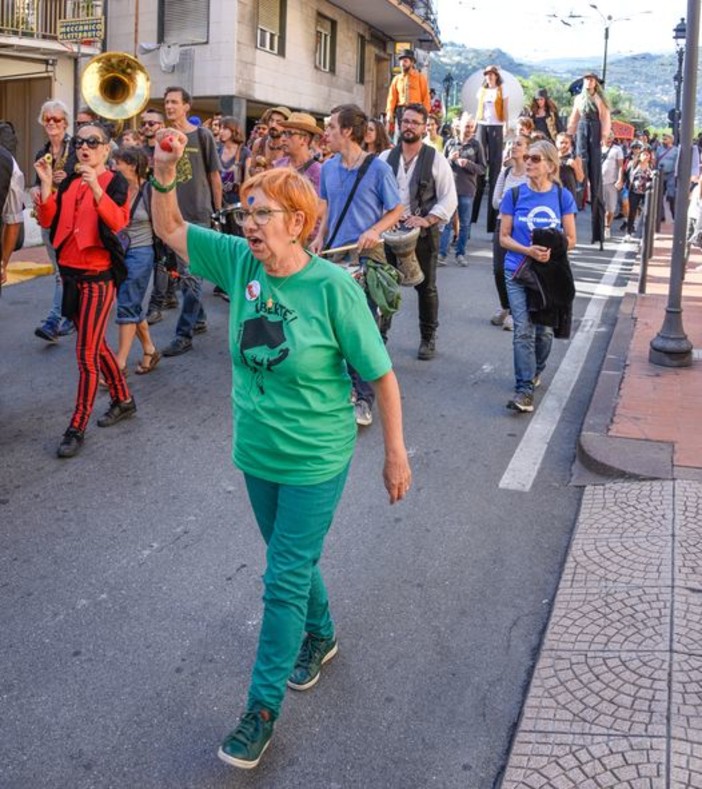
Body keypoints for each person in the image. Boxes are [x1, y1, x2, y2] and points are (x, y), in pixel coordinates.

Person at [149, 140, 412, 771]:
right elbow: (170, 228)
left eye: (262, 213)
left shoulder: (332, 290)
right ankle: (320, 636)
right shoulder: (241, 264)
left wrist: (394, 454)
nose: (249, 225)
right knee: (288, 559)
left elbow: (381, 377)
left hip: (317, 457)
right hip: (257, 452)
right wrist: (163, 173)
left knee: (283, 577)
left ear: (298, 222)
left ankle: (260, 711)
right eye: (245, 212)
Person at [34, 122, 135, 458]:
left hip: (99, 277)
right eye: (80, 142)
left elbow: (119, 222)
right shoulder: (71, 181)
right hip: (71, 276)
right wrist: (48, 186)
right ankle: (123, 399)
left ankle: (77, 425)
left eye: (93, 141)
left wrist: (96, 189)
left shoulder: (114, 181)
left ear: (107, 149)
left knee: (86, 354)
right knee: (94, 345)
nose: (84, 147)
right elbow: (48, 221)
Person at [312, 104, 404, 426]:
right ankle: (341, 391)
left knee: (360, 331)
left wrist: (374, 230)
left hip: (367, 258)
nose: (326, 133)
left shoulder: (378, 170)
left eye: (331, 127)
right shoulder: (327, 168)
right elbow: (327, 208)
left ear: (348, 131)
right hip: (335, 255)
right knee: (331, 328)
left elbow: (396, 210)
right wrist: (319, 237)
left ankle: (363, 398)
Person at [499, 139, 577, 413]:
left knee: (543, 332)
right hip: (517, 270)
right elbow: (504, 238)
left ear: (550, 165)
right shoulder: (515, 195)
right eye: (528, 157)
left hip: (548, 274)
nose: (528, 162)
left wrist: (549, 250)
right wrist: (528, 250)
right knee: (523, 330)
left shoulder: (561, 197)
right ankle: (524, 390)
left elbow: (571, 239)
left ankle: (535, 370)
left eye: (535, 158)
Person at [379, 102, 458, 359]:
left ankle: (428, 337)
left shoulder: (436, 159)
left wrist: (427, 219)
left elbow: (449, 197)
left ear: (425, 128)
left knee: (426, 287)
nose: (409, 126)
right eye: (406, 121)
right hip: (388, 235)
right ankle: (380, 335)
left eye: (415, 122)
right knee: (383, 284)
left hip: (423, 235)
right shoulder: (384, 158)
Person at [160, 86, 223, 357]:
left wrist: (217, 212)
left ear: (187, 106)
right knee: (187, 276)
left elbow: (214, 175)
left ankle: (183, 334)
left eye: (174, 102)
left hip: (198, 215)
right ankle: (198, 319)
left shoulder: (202, 135)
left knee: (192, 275)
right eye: (166, 102)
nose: (169, 106)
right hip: (172, 215)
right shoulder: (163, 137)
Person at [111, 146, 161, 376]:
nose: (113, 166)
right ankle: (149, 349)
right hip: (119, 253)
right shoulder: (116, 188)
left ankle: (119, 363)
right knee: (131, 303)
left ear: (131, 166)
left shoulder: (151, 191)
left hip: (141, 252)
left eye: (118, 162)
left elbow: (163, 223)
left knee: (126, 303)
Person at [31, 100, 78, 343]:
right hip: (49, 219)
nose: (51, 123)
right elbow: (35, 184)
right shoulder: (42, 152)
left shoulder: (78, 147)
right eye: (47, 119)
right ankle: (70, 315)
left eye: (56, 119)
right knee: (62, 272)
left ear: (66, 122)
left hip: (72, 220)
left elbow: (93, 174)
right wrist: (36, 190)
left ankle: (55, 319)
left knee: (64, 272)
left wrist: (70, 175)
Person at [490, 132, 531, 330]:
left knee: (517, 269)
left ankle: (516, 313)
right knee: (499, 269)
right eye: (513, 144)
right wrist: (512, 203)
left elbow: (530, 202)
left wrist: (510, 202)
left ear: (527, 150)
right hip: (502, 224)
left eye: (519, 144)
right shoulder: (505, 172)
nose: (514, 147)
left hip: (521, 228)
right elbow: (495, 202)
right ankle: (505, 306)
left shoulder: (530, 175)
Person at [567, 71, 611, 244]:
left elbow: (605, 118)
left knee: (595, 178)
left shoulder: (600, 99)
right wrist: (569, 133)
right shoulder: (579, 99)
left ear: (595, 83)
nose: (588, 82)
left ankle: (598, 233)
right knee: (580, 174)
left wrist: (604, 136)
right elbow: (574, 117)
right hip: (582, 132)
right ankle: (571, 229)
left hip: (595, 131)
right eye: (586, 79)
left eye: (591, 79)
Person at [439, 112, 485, 266]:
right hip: (450, 189)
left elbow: (482, 169)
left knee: (465, 224)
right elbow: (440, 166)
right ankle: (442, 254)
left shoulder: (476, 145)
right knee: (446, 222)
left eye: (472, 127)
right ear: (459, 127)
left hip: (467, 190)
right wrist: (450, 160)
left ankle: (460, 254)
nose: (469, 129)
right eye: (467, 126)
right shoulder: (450, 143)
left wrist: (469, 164)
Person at [473, 65, 509, 233]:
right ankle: (472, 215)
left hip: (496, 126)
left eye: (491, 75)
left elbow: (505, 110)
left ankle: (492, 222)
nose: (489, 77)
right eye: (487, 75)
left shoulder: (502, 90)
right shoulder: (482, 91)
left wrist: (506, 126)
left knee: (495, 166)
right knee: (481, 163)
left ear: (496, 76)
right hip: (482, 125)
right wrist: (473, 127)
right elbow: (478, 111)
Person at [385, 49, 430, 139]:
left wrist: (425, 115)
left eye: (405, 61)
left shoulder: (420, 78)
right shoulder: (396, 79)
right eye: (401, 61)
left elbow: (426, 98)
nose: (402, 63)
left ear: (412, 63)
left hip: (416, 110)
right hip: (401, 110)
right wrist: (389, 112)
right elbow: (392, 97)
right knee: (400, 136)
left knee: (414, 134)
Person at [274, 112, 322, 194]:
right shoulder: (278, 164)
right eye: (283, 133)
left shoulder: (318, 172)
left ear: (304, 139)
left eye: (289, 134)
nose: (283, 139)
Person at [624, 145, 654, 240]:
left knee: (646, 212)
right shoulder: (633, 165)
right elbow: (626, 175)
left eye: (647, 154)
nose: (645, 156)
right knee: (632, 211)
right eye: (643, 154)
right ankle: (629, 231)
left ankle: (643, 233)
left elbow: (654, 179)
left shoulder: (652, 167)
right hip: (634, 191)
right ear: (640, 155)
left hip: (647, 193)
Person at [600, 131, 624, 239]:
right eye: (607, 137)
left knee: (611, 208)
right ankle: (601, 227)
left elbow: (620, 166)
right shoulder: (597, 147)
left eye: (611, 137)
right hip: (599, 182)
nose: (609, 139)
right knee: (600, 207)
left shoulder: (617, 149)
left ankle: (607, 227)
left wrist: (619, 179)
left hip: (611, 182)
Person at [555, 132, 584, 205]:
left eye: (566, 143)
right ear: (556, 143)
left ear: (570, 144)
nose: (564, 145)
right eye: (561, 142)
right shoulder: (552, 156)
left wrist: (575, 167)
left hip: (569, 192)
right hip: (554, 191)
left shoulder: (575, 158)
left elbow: (580, 178)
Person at [656, 133, 678, 221]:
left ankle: (674, 215)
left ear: (671, 140)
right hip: (660, 175)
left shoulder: (676, 150)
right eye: (663, 139)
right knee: (659, 196)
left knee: (671, 196)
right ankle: (661, 216)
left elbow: (677, 163)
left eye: (665, 139)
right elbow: (656, 161)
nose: (663, 140)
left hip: (671, 175)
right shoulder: (659, 149)